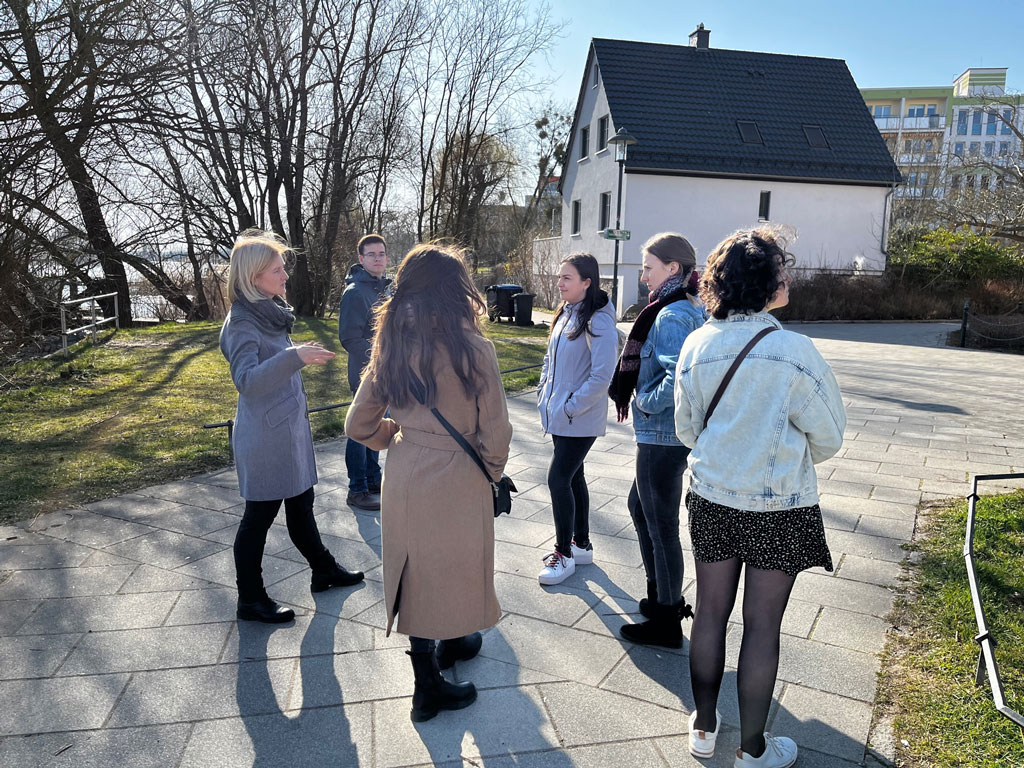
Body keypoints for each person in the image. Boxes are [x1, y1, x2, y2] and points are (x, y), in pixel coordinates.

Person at [674, 227, 845, 767]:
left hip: (713, 497)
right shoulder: (795, 351)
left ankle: (703, 728)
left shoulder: (697, 343)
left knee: (709, 613)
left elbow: (686, 428)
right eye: (781, 270)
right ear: (765, 283)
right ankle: (753, 750)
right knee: (762, 625)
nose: (787, 278)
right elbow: (830, 435)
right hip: (779, 508)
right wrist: (784, 454)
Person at [344, 244, 513, 723]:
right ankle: (432, 681)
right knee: (458, 559)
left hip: (405, 469)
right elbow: (495, 429)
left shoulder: (391, 343)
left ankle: (440, 660)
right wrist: (492, 473)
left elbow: (358, 425)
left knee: (415, 568)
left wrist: (397, 436)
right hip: (459, 473)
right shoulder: (473, 347)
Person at [220, 230, 365, 624]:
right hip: (265, 438)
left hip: (286, 432)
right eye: (276, 270)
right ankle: (250, 598)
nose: (285, 276)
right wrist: (294, 355)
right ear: (253, 277)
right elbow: (247, 381)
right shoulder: (242, 322)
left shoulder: (268, 309)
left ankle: (324, 569)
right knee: (259, 518)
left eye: (283, 267)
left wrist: (293, 355)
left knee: (301, 506)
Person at [609, 233, 704, 648]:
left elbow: (677, 377)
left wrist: (643, 401)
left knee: (662, 524)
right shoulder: (674, 308)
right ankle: (659, 595)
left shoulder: (671, 315)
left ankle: (667, 619)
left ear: (672, 269)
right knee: (639, 507)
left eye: (648, 267)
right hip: (663, 435)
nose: (643, 274)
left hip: (663, 436)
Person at [535, 254, 618, 586]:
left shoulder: (598, 321)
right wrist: (545, 392)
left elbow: (601, 376)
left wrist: (570, 407)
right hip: (560, 413)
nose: (560, 283)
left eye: (567, 278)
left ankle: (563, 554)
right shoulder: (566, 314)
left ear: (587, 282)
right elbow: (549, 361)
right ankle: (580, 544)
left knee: (558, 480)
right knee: (573, 477)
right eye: (560, 277)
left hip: (577, 419)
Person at [338, 234, 391, 511]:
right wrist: (376, 363)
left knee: (376, 427)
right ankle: (356, 489)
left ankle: (373, 480)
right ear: (361, 259)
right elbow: (349, 338)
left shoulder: (387, 288)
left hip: (386, 373)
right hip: (365, 374)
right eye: (371, 254)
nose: (378, 258)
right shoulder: (356, 292)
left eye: (381, 253)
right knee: (359, 432)